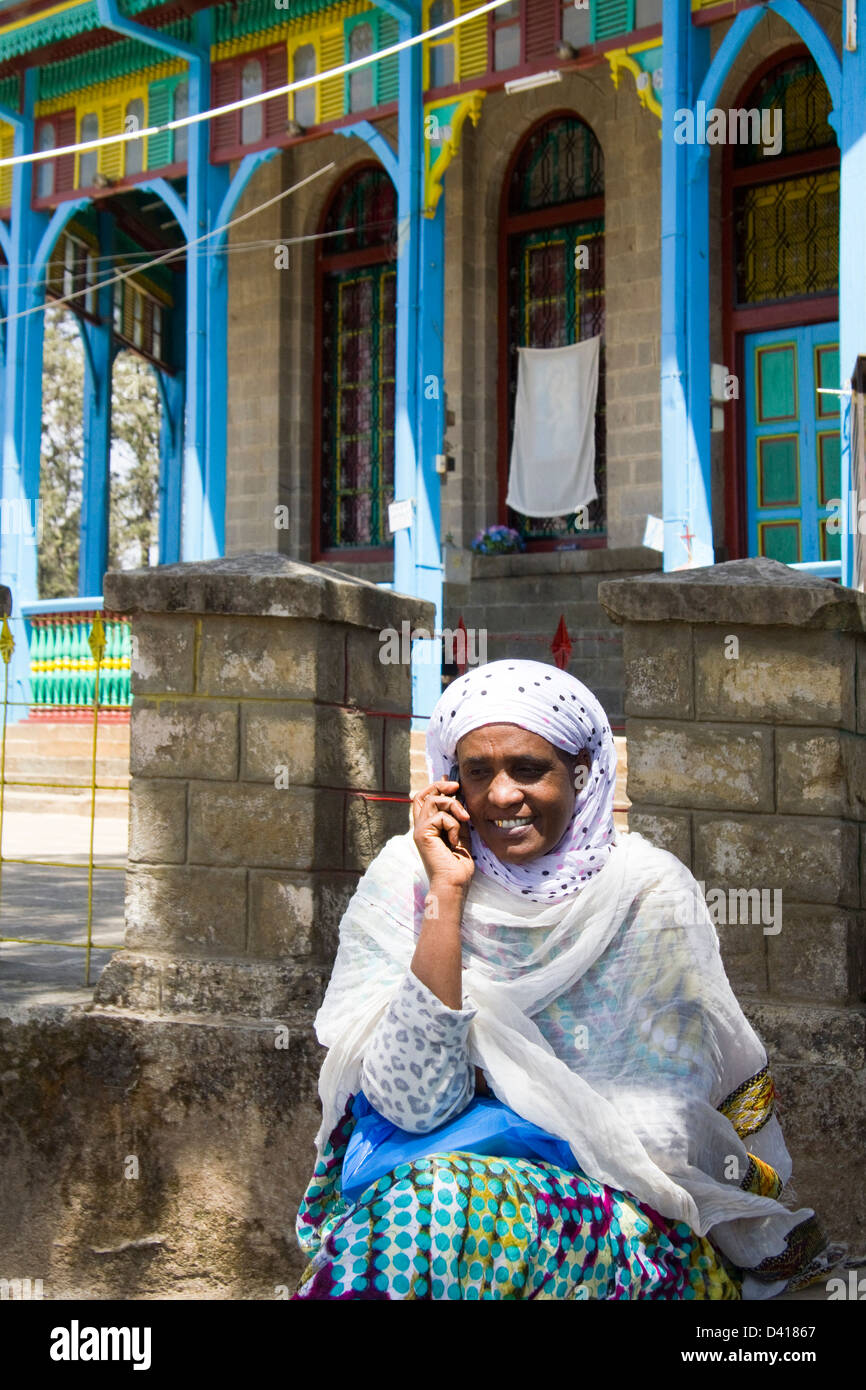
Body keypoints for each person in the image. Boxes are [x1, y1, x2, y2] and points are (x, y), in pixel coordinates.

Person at [291, 660, 836, 1300]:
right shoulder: (410, 878)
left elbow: (663, 1126)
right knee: (428, 1212)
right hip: (424, 1187)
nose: (500, 796)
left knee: (440, 1214)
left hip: (612, 1208)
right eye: (476, 772)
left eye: (529, 769)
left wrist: (530, 1132)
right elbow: (413, 1106)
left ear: (585, 774)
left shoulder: (646, 894)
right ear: (447, 782)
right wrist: (447, 894)